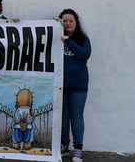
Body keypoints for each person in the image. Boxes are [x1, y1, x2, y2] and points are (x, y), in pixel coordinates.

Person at [57, 8, 91, 162]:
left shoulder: (82, 38)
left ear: (76, 23)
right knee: (63, 117)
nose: (68, 23)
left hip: (78, 85)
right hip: (60, 84)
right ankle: (64, 144)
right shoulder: (56, 36)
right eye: (65, 21)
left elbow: (84, 54)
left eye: (71, 20)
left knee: (76, 116)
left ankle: (78, 148)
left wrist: (68, 41)